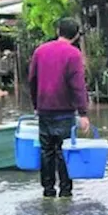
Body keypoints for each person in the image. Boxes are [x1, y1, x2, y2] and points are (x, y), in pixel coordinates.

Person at [27, 17, 91, 199]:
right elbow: (78, 85)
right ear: (76, 35)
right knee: (64, 151)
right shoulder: (74, 54)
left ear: (58, 31)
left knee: (46, 151)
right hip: (65, 111)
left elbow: (32, 80)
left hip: (44, 109)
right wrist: (83, 112)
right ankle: (65, 192)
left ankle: (48, 191)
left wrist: (36, 105)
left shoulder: (40, 51)